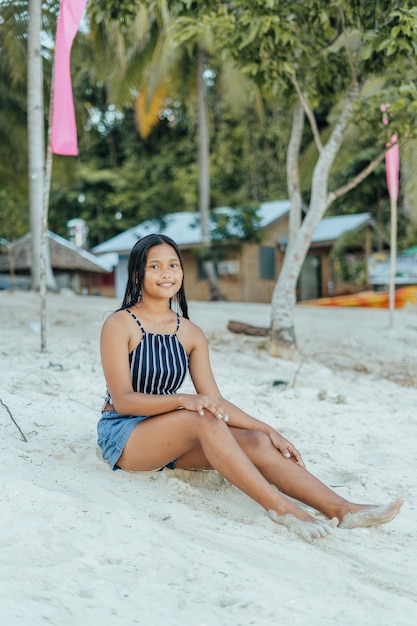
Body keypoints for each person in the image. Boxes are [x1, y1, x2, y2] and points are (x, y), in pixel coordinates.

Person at [97, 233, 403, 542]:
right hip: (126, 436)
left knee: (254, 440)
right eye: (155, 267)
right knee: (202, 416)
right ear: (137, 274)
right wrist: (184, 400)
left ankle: (342, 509)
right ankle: (282, 509)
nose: (167, 274)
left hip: (172, 434)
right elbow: (123, 401)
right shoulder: (120, 324)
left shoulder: (190, 333)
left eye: (173, 265)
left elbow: (215, 401)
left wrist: (268, 430)